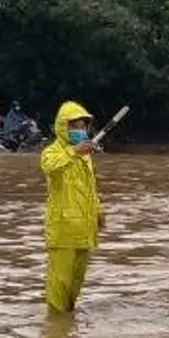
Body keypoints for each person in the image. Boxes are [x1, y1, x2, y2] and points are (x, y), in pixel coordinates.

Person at [40, 101, 105, 314]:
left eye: (82, 127)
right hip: (63, 231)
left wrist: (99, 212)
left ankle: (67, 325)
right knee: (59, 285)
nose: (80, 131)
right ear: (63, 127)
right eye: (74, 126)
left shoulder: (86, 157)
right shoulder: (52, 152)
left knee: (76, 285)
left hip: (84, 230)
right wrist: (74, 152)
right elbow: (50, 167)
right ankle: (55, 329)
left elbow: (90, 189)